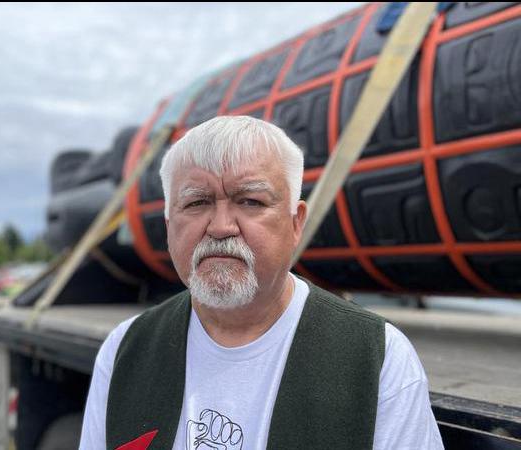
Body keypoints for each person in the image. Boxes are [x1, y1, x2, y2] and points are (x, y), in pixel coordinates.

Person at [79, 116, 443, 450]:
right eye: (196, 203)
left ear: (296, 222)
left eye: (250, 201)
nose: (221, 227)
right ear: (169, 223)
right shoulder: (125, 350)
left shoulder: (377, 358)